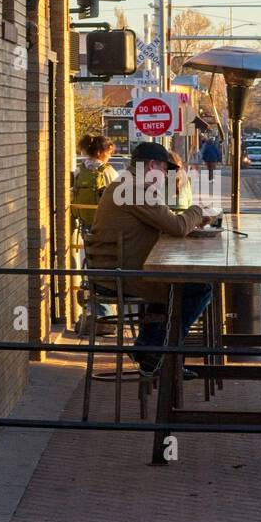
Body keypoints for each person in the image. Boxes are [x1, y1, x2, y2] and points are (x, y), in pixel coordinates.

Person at [90, 141, 215, 377]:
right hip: (123, 275)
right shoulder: (135, 189)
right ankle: (161, 355)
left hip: (116, 270)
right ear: (152, 165)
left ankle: (148, 350)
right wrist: (198, 211)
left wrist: (189, 219)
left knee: (172, 288)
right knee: (200, 287)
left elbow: (164, 220)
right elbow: (177, 226)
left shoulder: (126, 184)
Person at [73, 135, 120, 331]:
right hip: (106, 225)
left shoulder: (80, 169)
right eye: (109, 152)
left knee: (92, 263)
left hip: (86, 223)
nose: (109, 157)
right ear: (102, 152)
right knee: (108, 267)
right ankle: (104, 317)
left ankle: (97, 313)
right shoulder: (108, 172)